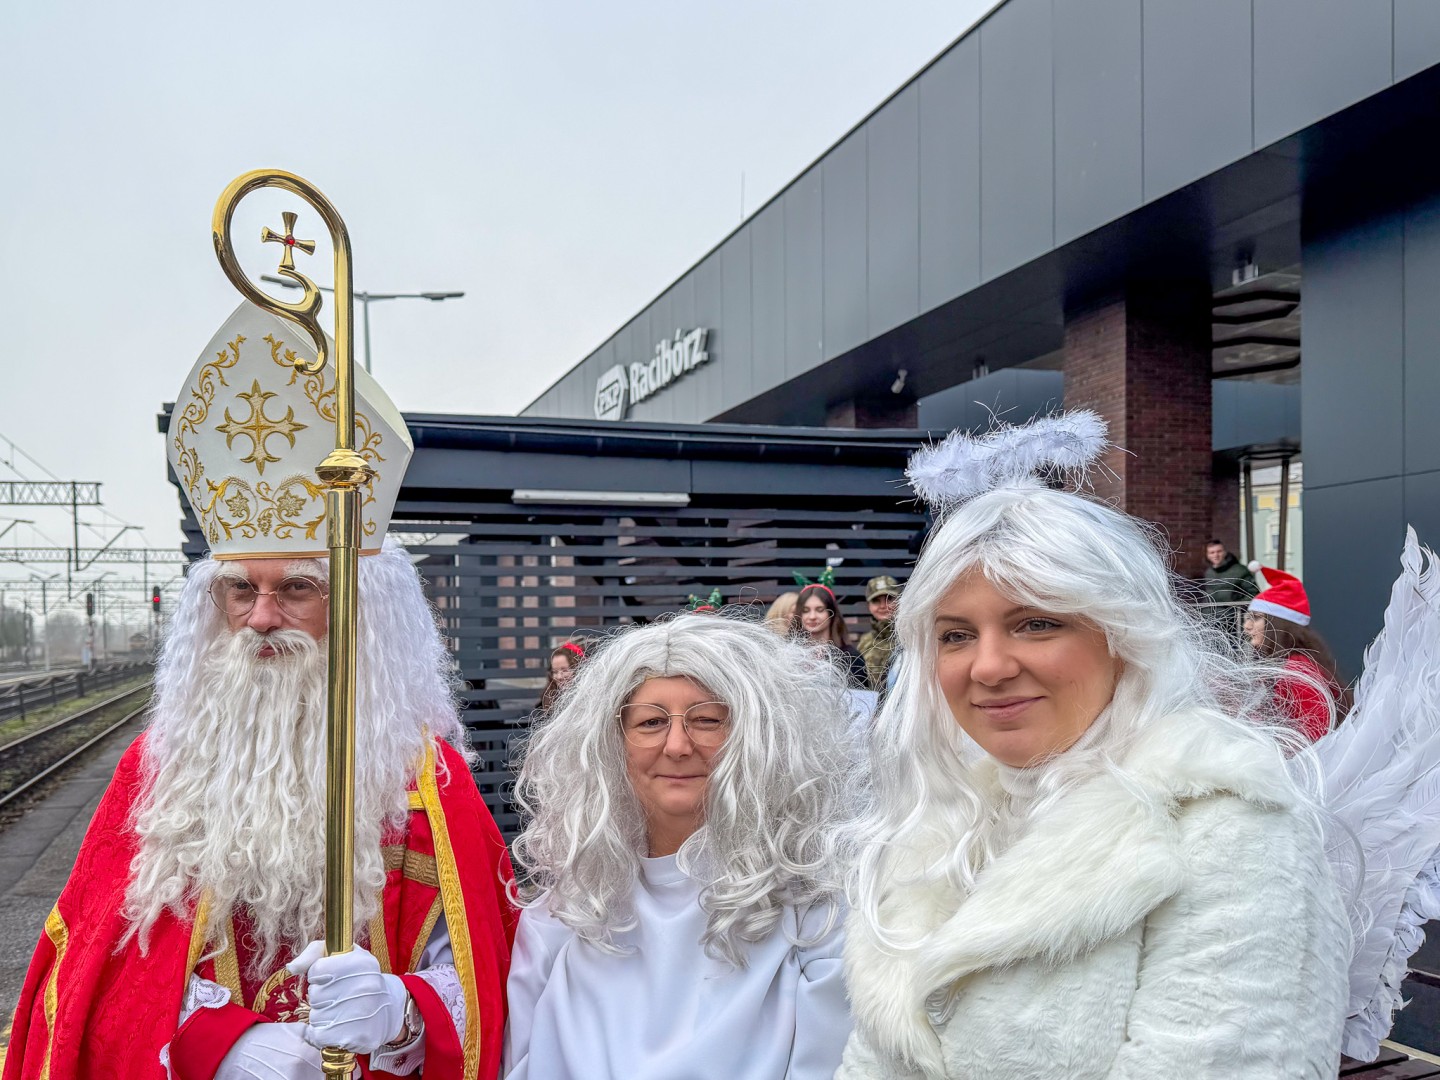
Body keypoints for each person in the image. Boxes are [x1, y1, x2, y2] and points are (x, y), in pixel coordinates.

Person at [4, 303, 516, 1080]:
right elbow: (88, 978)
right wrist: (217, 1042)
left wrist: (403, 1013)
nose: (262, 617)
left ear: (361, 614)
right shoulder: (158, 771)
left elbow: (487, 973)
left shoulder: (427, 784)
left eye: (298, 588)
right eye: (240, 589)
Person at [837, 412, 1349, 1079]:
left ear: (1123, 635)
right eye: (956, 635)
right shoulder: (943, 822)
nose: (987, 667)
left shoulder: (1229, 827)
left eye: (1036, 623)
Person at [503, 614, 854, 1079]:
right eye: (650, 722)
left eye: (706, 720)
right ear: (611, 743)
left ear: (758, 736)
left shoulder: (817, 913)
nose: (677, 745)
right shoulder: (562, 917)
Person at [1244, 563, 1348, 742]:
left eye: (1257, 618)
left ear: (1279, 624)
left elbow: (1313, 738)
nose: (1247, 626)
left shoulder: (1297, 670)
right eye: (1248, 618)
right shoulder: (1294, 664)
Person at [792, 582, 868, 689]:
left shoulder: (850, 657)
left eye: (820, 610)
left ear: (831, 613)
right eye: (806, 611)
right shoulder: (790, 655)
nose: (812, 616)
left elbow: (861, 700)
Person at [855, 575, 900, 692]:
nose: (882, 606)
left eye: (889, 599)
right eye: (876, 601)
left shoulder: (911, 638)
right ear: (869, 606)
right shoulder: (865, 642)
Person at [537, 641, 586, 714]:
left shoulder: (591, 701)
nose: (559, 677)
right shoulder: (547, 703)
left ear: (579, 669)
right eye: (555, 672)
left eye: (565, 670)